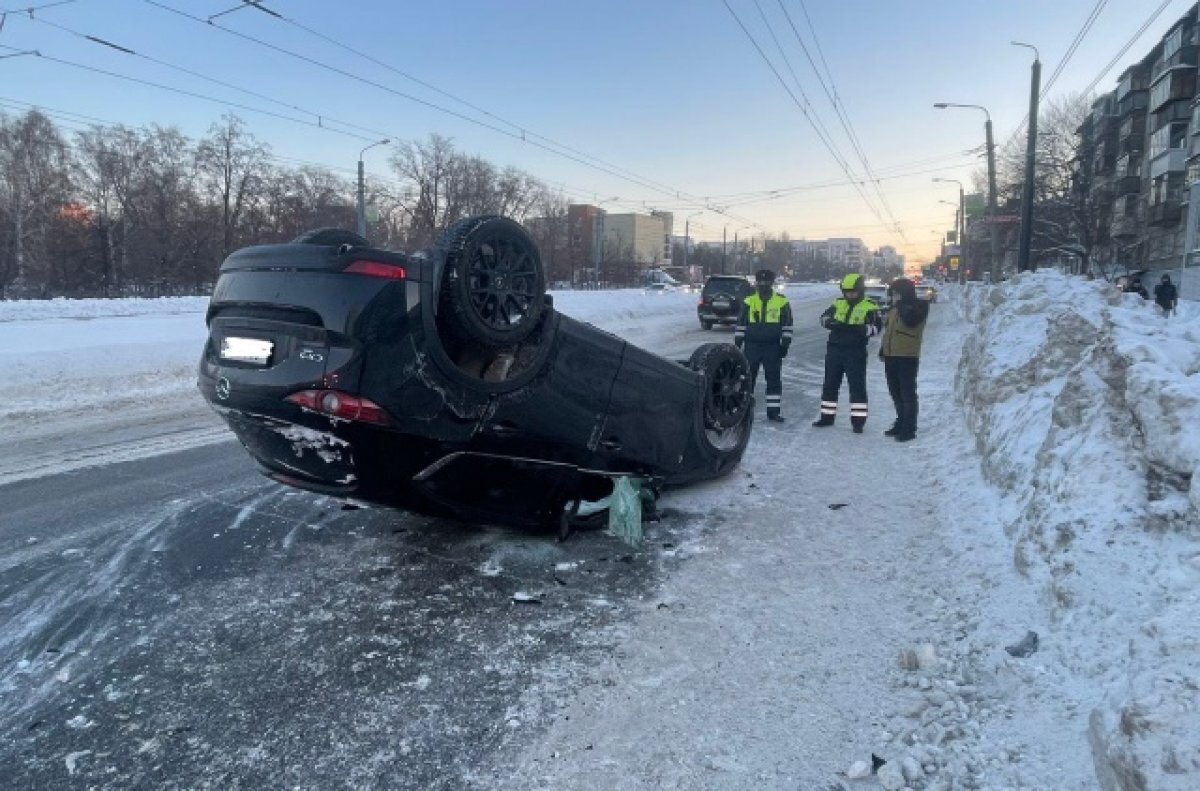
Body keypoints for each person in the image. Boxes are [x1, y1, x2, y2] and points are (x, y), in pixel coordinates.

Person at [812, 273, 881, 433]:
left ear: (860, 290)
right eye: (847, 292)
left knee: (857, 387)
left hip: (855, 351)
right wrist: (830, 322)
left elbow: (877, 328)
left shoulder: (870, 306)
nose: (850, 295)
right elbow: (823, 318)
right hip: (835, 349)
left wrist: (862, 329)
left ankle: (858, 422)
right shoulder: (838, 303)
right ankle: (826, 417)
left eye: (853, 292)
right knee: (830, 385)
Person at [734, 269, 793, 422]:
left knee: (773, 380)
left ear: (772, 284)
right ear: (757, 284)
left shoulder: (782, 301)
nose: (763, 286)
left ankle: (773, 412)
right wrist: (737, 344)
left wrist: (784, 345)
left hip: (772, 347)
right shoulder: (749, 301)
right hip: (752, 346)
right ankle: (744, 411)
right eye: (760, 283)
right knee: (747, 379)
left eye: (766, 284)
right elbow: (741, 324)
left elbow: (787, 325)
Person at [879, 277, 930, 443]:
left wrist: (900, 305)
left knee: (907, 394)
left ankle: (909, 428)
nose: (894, 296)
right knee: (895, 392)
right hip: (891, 355)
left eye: (896, 293)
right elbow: (889, 332)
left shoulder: (920, 306)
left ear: (904, 292)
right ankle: (900, 422)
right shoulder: (895, 309)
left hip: (907, 356)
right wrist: (883, 349)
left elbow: (911, 321)